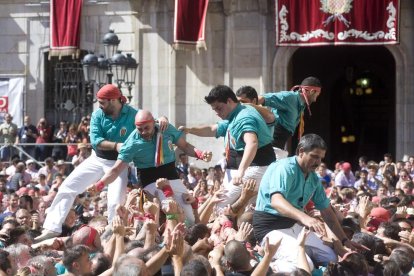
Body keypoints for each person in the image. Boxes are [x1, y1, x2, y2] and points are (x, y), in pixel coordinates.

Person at [35, 84, 168, 242]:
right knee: (67, 186)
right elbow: (96, 141)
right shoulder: (97, 115)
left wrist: (162, 119)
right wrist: (116, 145)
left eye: (102, 102)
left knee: (115, 200)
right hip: (97, 159)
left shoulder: (133, 114)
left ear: (113, 100)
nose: (99, 106)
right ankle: (51, 228)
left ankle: (112, 235)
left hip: (119, 163)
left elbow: (150, 122)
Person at [253, 134, 364, 273]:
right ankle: (268, 266)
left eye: (321, 158)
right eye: (314, 156)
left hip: (293, 225)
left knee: (332, 258)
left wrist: (344, 241)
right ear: (301, 151)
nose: (318, 162)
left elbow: (327, 212)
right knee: (305, 266)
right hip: (269, 228)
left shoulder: (313, 178)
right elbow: (277, 201)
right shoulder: (284, 168)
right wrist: (306, 218)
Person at [90, 109, 212, 224]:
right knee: (169, 210)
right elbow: (116, 170)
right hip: (149, 180)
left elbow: (184, 146)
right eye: (140, 129)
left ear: (154, 122)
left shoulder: (165, 128)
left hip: (171, 176)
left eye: (146, 128)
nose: (143, 132)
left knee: (189, 218)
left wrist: (201, 154)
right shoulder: (131, 144)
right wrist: (99, 185)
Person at [179, 85, 275, 210]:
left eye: (219, 108)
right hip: (246, 168)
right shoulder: (234, 114)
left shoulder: (243, 117)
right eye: (215, 110)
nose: (218, 113)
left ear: (229, 101)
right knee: (244, 210)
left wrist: (241, 171)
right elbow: (213, 129)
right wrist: (189, 130)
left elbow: (252, 143)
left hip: (256, 167)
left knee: (218, 206)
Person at [236, 77, 322, 158]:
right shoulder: (289, 97)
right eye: (317, 95)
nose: (315, 99)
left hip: (279, 146)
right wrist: (244, 109)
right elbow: (260, 98)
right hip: (270, 145)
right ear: (311, 91)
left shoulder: (301, 105)